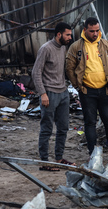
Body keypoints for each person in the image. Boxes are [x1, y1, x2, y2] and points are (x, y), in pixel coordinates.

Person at [66, 17, 108, 163]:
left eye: (97, 30)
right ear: (85, 29)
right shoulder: (76, 47)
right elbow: (69, 67)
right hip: (87, 92)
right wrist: (77, 86)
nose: (95, 33)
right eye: (92, 31)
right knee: (90, 123)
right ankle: (93, 154)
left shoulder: (105, 45)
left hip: (105, 90)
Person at [32, 22, 75, 171]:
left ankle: (59, 158)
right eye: (67, 34)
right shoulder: (45, 49)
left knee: (63, 128)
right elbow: (36, 72)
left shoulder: (63, 47)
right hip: (49, 94)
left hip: (63, 93)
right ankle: (44, 161)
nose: (70, 37)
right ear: (58, 34)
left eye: (70, 34)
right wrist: (43, 94)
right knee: (47, 129)